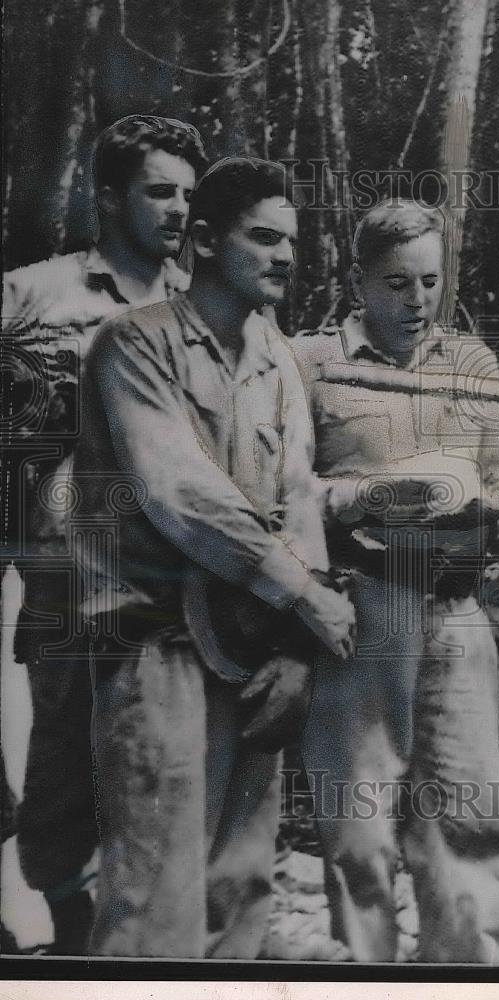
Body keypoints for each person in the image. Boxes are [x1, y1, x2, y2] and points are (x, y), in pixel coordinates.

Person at [70, 156, 356, 958]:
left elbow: (299, 496)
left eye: (292, 242)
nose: (284, 257)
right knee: (155, 899)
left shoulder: (278, 362)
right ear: (201, 240)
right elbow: (179, 493)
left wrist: (300, 650)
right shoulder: (131, 346)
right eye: (262, 238)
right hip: (154, 644)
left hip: (252, 650)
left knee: (242, 892)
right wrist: (304, 596)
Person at [294, 198, 499, 963]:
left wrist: (488, 499)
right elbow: (281, 486)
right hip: (362, 607)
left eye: (430, 282)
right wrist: (361, 496)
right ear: (359, 280)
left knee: (469, 813)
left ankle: (474, 975)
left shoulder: (470, 362)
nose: (417, 300)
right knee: (360, 829)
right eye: (397, 283)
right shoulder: (311, 363)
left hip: (455, 606)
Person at [1, 114, 208, 953]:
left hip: (170, 582)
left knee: (157, 769)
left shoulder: (200, 310)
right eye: (160, 190)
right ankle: (66, 923)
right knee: (56, 766)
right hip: (55, 570)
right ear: (110, 195)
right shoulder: (31, 295)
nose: (179, 211)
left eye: (190, 195)